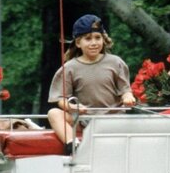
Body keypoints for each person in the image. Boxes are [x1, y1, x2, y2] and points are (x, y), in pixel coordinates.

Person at [48, 14, 136, 153]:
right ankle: (72, 144)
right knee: (53, 113)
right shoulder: (69, 68)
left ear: (103, 39)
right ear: (78, 43)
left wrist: (128, 97)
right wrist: (73, 107)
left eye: (97, 38)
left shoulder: (116, 62)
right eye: (88, 39)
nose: (94, 43)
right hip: (84, 120)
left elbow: (125, 90)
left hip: (114, 119)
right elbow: (61, 99)